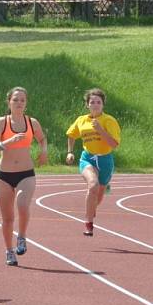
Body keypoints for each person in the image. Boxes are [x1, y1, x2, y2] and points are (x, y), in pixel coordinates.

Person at [0, 87, 48, 265]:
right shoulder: (2, 122)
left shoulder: (32, 123)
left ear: (26, 103)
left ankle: (21, 237)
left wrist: (44, 151)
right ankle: (9, 250)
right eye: (15, 100)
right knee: (7, 218)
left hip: (26, 173)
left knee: (22, 205)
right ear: (9, 102)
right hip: (5, 175)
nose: (19, 103)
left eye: (22, 100)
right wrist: (7, 142)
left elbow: (42, 139)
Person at [65, 88, 121, 236]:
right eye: (92, 102)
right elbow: (71, 135)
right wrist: (70, 152)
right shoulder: (81, 120)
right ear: (87, 105)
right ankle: (88, 223)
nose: (95, 105)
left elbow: (114, 144)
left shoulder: (109, 121)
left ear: (103, 105)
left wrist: (101, 130)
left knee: (99, 194)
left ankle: (91, 210)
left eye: (98, 102)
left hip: (105, 160)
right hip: (87, 158)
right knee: (93, 184)